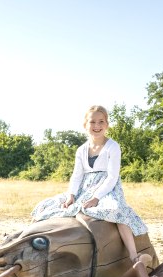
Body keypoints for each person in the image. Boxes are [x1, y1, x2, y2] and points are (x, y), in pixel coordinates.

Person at [31, 105, 150, 265]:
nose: (97, 126)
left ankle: (133, 256)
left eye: (101, 122)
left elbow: (112, 176)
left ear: (107, 125)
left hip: (107, 189)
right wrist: (71, 195)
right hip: (84, 188)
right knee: (49, 205)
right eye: (92, 122)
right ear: (85, 125)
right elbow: (77, 175)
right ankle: (29, 242)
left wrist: (96, 197)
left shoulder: (113, 146)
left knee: (117, 211)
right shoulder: (81, 150)